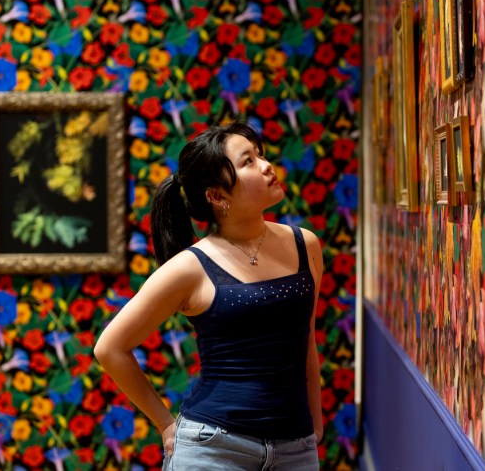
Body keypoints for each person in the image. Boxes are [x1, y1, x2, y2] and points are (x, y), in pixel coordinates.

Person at [94, 122, 324, 470]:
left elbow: (306, 341)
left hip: (296, 447)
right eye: (248, 161)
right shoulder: (191, 267)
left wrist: (314, 425)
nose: (266, 166)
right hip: (213, 450)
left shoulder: (304, 245)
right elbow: (110, 348)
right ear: (217, 196)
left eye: (260, 154)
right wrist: (165, 423)